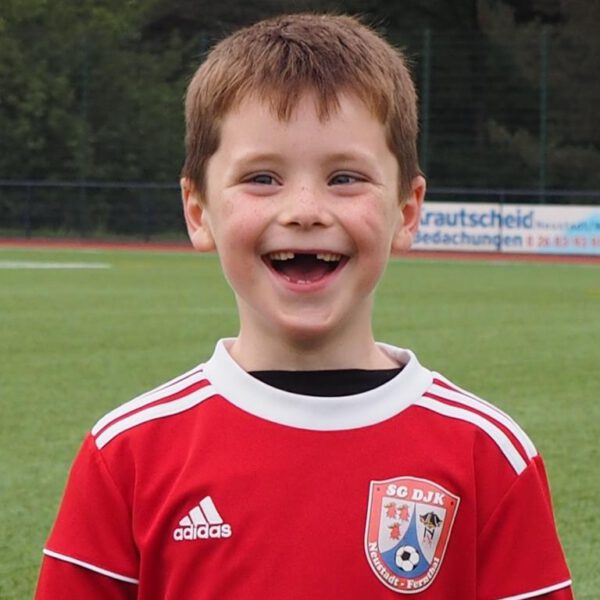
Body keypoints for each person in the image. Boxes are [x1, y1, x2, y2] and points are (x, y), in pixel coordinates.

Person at [36, 13, 572, 599]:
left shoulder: (487, 454)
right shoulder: (128, 454)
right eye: (262, 178)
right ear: (197, 210)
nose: (305, 211)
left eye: (345, 178)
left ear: (407, 211)